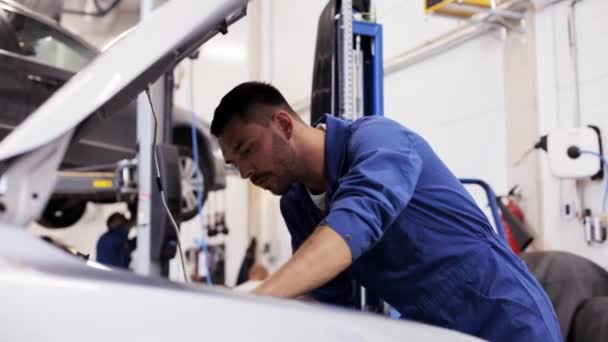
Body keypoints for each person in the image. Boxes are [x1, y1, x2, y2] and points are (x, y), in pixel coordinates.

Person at [211, 81, 562, 341]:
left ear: (284, 125)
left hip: (504, 319)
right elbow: (332, 303)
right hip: (430, 330)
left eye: (248, 149)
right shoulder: (297, 205)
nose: (245, 172)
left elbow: (356, 221)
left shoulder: (379, 140)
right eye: (234, 162)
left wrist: (256, 302)